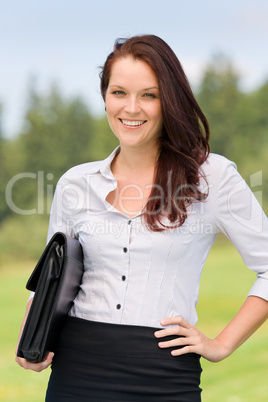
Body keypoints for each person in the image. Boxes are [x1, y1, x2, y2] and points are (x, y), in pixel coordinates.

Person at [16, 34, 268, 401]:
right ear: (105, 98)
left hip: (165, 376)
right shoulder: (75, 183)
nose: (131, 108)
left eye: (149, 95)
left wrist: (222, 345)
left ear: (170, 101)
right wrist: (32, 335)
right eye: (119, 93)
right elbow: (53, 275)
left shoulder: (213, 176)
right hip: (76, 371)